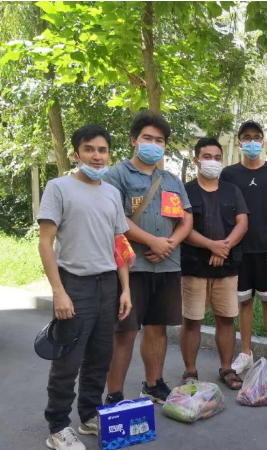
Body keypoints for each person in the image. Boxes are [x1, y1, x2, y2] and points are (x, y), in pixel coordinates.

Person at [38, 124, 132, 450]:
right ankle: (57, 427)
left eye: (102, 150)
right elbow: (45, 243)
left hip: (108, 285)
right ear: (76, 153)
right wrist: (59, 291)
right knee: (67, 359)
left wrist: (125, 289)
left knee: (99, 357)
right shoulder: (58, 187)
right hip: (74, 284)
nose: (96, 155)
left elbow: (119, 243)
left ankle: (89, 415)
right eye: (89, 149)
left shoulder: (112, 193)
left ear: (109, 154)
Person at [103, 111, 192, 405]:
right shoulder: (116, 175)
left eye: (160, 140)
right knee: (125, 331)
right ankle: (115, 395)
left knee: (157, 328)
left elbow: (186, 219)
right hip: (131, 267)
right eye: (147, 138)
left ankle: (154, 385)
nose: (154, 144)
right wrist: (152, 240)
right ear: (134, 140)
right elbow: (116, 217)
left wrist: (170, 243)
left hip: (167, 265)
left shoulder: (171, 180)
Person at [221, 121, 267, 377]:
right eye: (247, 137)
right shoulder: (229, 174)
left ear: (263, 141)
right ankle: (246, 353)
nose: (252, 141)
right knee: (244, 302)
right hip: (239, 248)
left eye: (256, 137)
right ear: (239, 142)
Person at [179, 138, 249, 390]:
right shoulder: (184, 190)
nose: (213, 161)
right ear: (196, 160)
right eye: (207, 157)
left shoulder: (232, 190)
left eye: (217, 157)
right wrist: (211, 245)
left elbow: (242, 222)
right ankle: (190, 371)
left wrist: (224, 246)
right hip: (194, 266)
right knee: (192, 320)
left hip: (227, 266)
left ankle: (227, 368)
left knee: (226, 318)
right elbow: (182, 227)